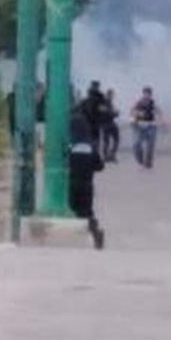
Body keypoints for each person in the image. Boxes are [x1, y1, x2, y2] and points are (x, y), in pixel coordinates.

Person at [70, 96, 107, 249]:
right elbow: (100, 166)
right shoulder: (90, 147)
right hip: (87, 184)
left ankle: (72, 238)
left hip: (71, 183)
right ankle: (95, 233)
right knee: (87, 212)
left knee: (72, 209)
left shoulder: (69, 147)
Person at [131, 86, 160, 169]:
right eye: (145, 93)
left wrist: (158, 121)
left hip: (151, 126)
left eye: (149, 94)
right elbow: (133, 112)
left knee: (150, 146)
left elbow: (158, 112)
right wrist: (136, 116)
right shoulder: (138, 103)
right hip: (140, 126)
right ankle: (140, 160)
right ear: (143, 94)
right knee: (136, 145)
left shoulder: (153, 103)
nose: (147, 95)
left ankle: (148, 163)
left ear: (150, 95)